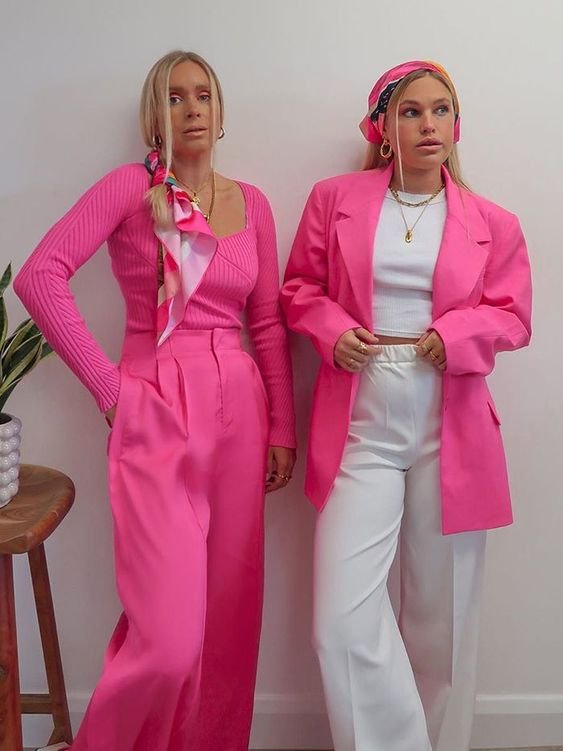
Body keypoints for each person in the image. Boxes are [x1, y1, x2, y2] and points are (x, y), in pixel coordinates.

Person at [15, 49, 296, 751]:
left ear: (220, 112)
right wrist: (112, 390)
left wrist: (281, 429)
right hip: (155, 405)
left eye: (202, 95)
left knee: (229, 617)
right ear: (153, 116)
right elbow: (40, 277)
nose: (191, 108)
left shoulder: (253, 204)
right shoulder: (128, 189)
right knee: (168, 639)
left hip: (240, 407)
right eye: (174, 97)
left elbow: (265, 322)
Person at [280, 60, 531, 751]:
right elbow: (298, 289)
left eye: (441, 109)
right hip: (359, 419)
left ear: (457, 124)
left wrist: (456, 335)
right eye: (411, 111)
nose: (428, 124)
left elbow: (513, 316)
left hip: (452, 423)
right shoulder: (334, 199)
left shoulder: (494, 222)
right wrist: (332, 331)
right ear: (383, 128)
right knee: (340, 621)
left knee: (441, 622)